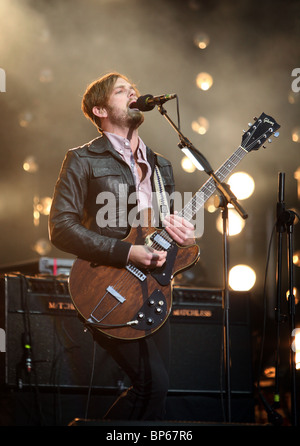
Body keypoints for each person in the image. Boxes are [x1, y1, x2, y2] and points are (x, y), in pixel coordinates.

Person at [49, 72, 194, 421]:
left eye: (134, 88)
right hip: (107, 283)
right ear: (100, 110)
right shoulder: (82, 159)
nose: (133, 92)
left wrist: (184, 238)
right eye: (121, 90)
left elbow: (161, 232)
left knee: (155, 390)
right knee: (152, 384)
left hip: (152, 287)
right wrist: (128, 252)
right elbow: (60, 228)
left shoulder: (162, 166)